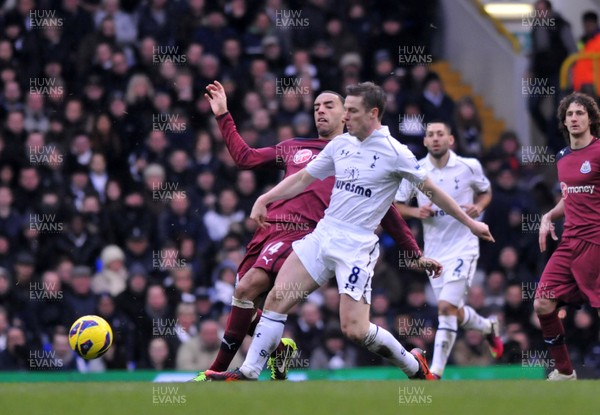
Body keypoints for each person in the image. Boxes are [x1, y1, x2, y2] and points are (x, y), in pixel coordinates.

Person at [205, 81, 494, 381]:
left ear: (373, 113)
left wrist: (470, 223)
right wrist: (265, 198)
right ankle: (250, 371)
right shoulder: (339, 145)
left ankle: (413, 365)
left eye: (351, 111)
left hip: (356, 247)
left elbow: (431, 192)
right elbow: (304, 177)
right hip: (322, 236)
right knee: (276, 299)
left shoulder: (396, 153)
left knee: (354, 330)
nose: (346, 118)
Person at [394, 121, 504, 379]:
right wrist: (415, 211)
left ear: (451, 139)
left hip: (464, 246)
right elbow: (397, 205)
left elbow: (486, 192)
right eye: (430, 135)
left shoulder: (469, 166)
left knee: (445, 307)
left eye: (440, 134)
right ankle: (488, 327)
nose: (435, 139)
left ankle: (435, 373)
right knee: (452, 309)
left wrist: (479, 206)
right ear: (424, 141)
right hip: (433, 251)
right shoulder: (416, 169)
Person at [535, 91, 600, 380]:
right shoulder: (562, 157)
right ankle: (564, 372)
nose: (574, 118)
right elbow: (569, 196)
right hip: (569, 242)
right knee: (542, 302)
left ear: (590, 119)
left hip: (595, 242)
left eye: (580, 113)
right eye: (570, 114)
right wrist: (549, 215)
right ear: (564, 120)